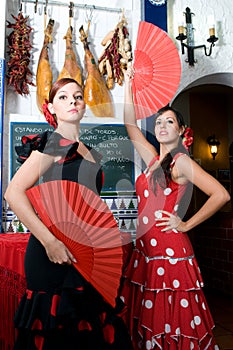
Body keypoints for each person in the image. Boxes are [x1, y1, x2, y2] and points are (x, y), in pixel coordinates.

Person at [4, 78, 133, 350]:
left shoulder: (91, 152)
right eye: (63, 97)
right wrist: (50, 242)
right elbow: (13, 193)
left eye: (77, 96)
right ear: (51, 107)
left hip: (85, 253)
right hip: (51, 252)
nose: (72, 101)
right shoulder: (52, 144)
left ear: (84, 105)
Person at [119, 67, 231, 349]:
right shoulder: (155, 159)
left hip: (169, 254)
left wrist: (185, 224)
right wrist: (128, 85)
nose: (162, 125)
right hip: (147, 252)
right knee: (152, 320)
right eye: (159, 122)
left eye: (170, 121)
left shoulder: (181, 161)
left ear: (182, 131)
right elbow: (131, 126)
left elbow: (221, 195)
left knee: (172, 323)